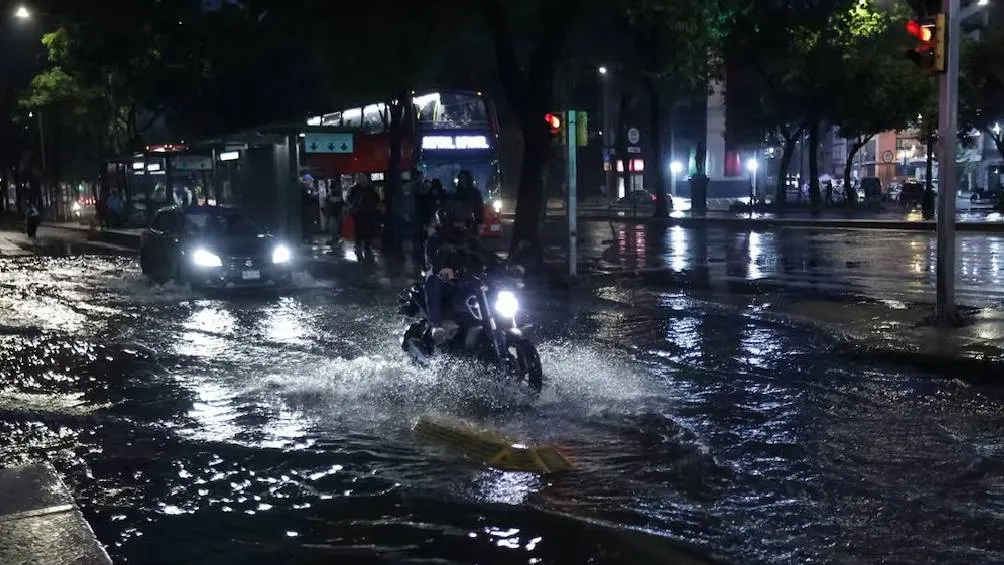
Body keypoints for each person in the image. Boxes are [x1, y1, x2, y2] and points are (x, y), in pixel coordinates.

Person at [423, 201, 497, 344]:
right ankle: (436, 325)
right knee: (433, 280)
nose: (462, 226)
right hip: (448, 284)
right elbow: (433, 259)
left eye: (465, 223)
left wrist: (509, 267)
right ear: (448, 222)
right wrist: (443, 269)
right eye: (458, 222)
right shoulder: (435, 241)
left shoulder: (471, 241)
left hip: (469, 283)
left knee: (493, 288)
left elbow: (488, 257)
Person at [347, 173, 379, 259]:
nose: (363, 180)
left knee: (367, 229)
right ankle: (360, 245)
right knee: (360, 230)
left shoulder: (369, 188)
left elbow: (376, 198)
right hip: (359, 213)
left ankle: (366, 246)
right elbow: (349, 199)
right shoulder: (355, 189)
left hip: (368, 212)